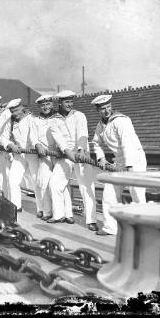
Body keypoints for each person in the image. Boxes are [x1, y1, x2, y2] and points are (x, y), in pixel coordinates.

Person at [91, 94, 147, 236]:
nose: (106, 111)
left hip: (135, 160)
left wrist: (129, 166)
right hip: (119, 162)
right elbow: (96, 143)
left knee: (137, 195)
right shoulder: (100, 125)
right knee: (109, 194)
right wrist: (101, 158)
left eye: (108, 107)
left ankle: (143, 230)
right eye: (103, 109)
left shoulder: (121, 121)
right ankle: (110, 227)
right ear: (98, 110)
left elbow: (127, 143)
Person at [49, 90, 97, 226]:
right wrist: (70, 154)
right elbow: (60, 141)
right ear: (59, 103)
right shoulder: (53, 121)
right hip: (66, 154)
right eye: (66, 102)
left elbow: (83, 134)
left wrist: (81, 151)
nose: (69, 104)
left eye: (71, 101)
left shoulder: (80, 116)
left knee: (86, 187)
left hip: (82, 154)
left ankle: (91, 221)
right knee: (55, 183)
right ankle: (59, 215)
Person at [0, 98, 39, 212]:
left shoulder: (31, 119)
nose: (15, 113)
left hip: (32, 154)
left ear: (22, 108)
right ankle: (16, 206)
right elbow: (3, 137)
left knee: (37, 181)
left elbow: (36, 136)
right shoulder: (10, 122)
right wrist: (10, 145)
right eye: (12, 111)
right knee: (13, 180)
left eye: (16, 110)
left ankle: (43, 209)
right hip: (19, 154)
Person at [29, 94, 55, 220]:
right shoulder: (36, 120)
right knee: (43, 182)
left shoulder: (58, 118)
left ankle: (64, 213)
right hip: (44, 154)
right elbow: (33, 136)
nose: (45, 107)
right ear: (39, 106)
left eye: (48, 104)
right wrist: (37, 145)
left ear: (52, 104)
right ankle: (47, 212)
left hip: (58, 154)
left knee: (59, 185)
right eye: (43, 105)